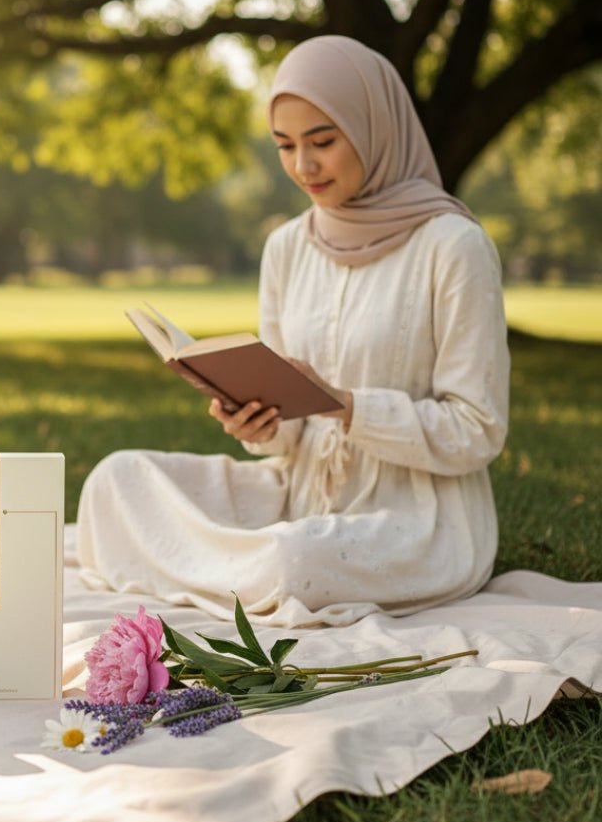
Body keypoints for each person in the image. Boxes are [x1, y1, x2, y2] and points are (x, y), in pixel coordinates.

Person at [75, 35, 510, 628]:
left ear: (374, 128)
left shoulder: (454, 247)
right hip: (295, 496)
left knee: (293, 558)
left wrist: (346, 406)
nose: (303, 167)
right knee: (115, 479)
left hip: (413, 521)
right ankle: (240, 578)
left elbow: (477, 430)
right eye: (285, 145)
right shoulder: (286, 247)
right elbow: (286, 436)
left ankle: (221, 574)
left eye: (323, 142)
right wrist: (255, 422)